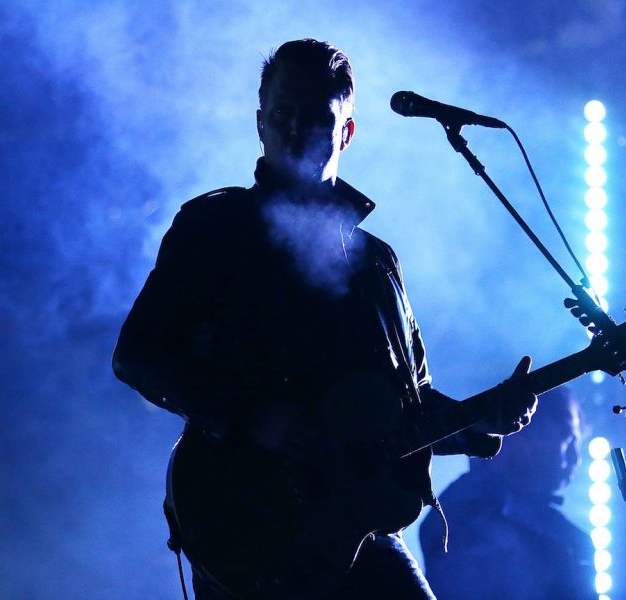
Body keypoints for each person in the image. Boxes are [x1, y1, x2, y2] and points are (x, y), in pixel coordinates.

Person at [113, 39, 540, 599]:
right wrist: (250, 416)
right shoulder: (215, 228)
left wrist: (475, 420)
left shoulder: (376, 264)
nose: (295, 128)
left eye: (315, 115)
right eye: (283, 113)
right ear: (260, 121)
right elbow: (138, 354)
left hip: (353, 525)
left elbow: (405, 407)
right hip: (248, 518)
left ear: (347, 132)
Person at [419, 387, 598, 599]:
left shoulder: (463, 503)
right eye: (568, 439)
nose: (575, 457)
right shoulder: (465, 510)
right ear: (527, 433)